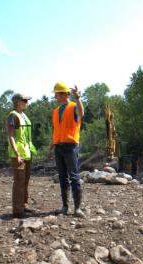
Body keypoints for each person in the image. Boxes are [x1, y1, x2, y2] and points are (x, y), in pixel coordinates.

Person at [48, 82, 85, 217]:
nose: (55, 96)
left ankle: (77, 209)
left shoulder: (74, 106)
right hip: (58, 147)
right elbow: (56, 130)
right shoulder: (56, 111)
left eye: (56, 93)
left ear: (63, 94)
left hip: (70, 147)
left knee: (74, 177)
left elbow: (81, 113)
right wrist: (51, 148)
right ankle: (65, 207)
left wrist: (78, 97)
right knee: (62, 178)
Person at [7, 93, 37, 218]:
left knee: (25, 181)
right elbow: (11, 136)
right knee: (19, 181)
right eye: (25, 100)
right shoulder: (12, 116)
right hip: (18, 154)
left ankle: (24, 205)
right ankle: (17, 211)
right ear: (18, 102)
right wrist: (16, 153)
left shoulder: (23, 115)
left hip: (27, 153)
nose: (27, 102)